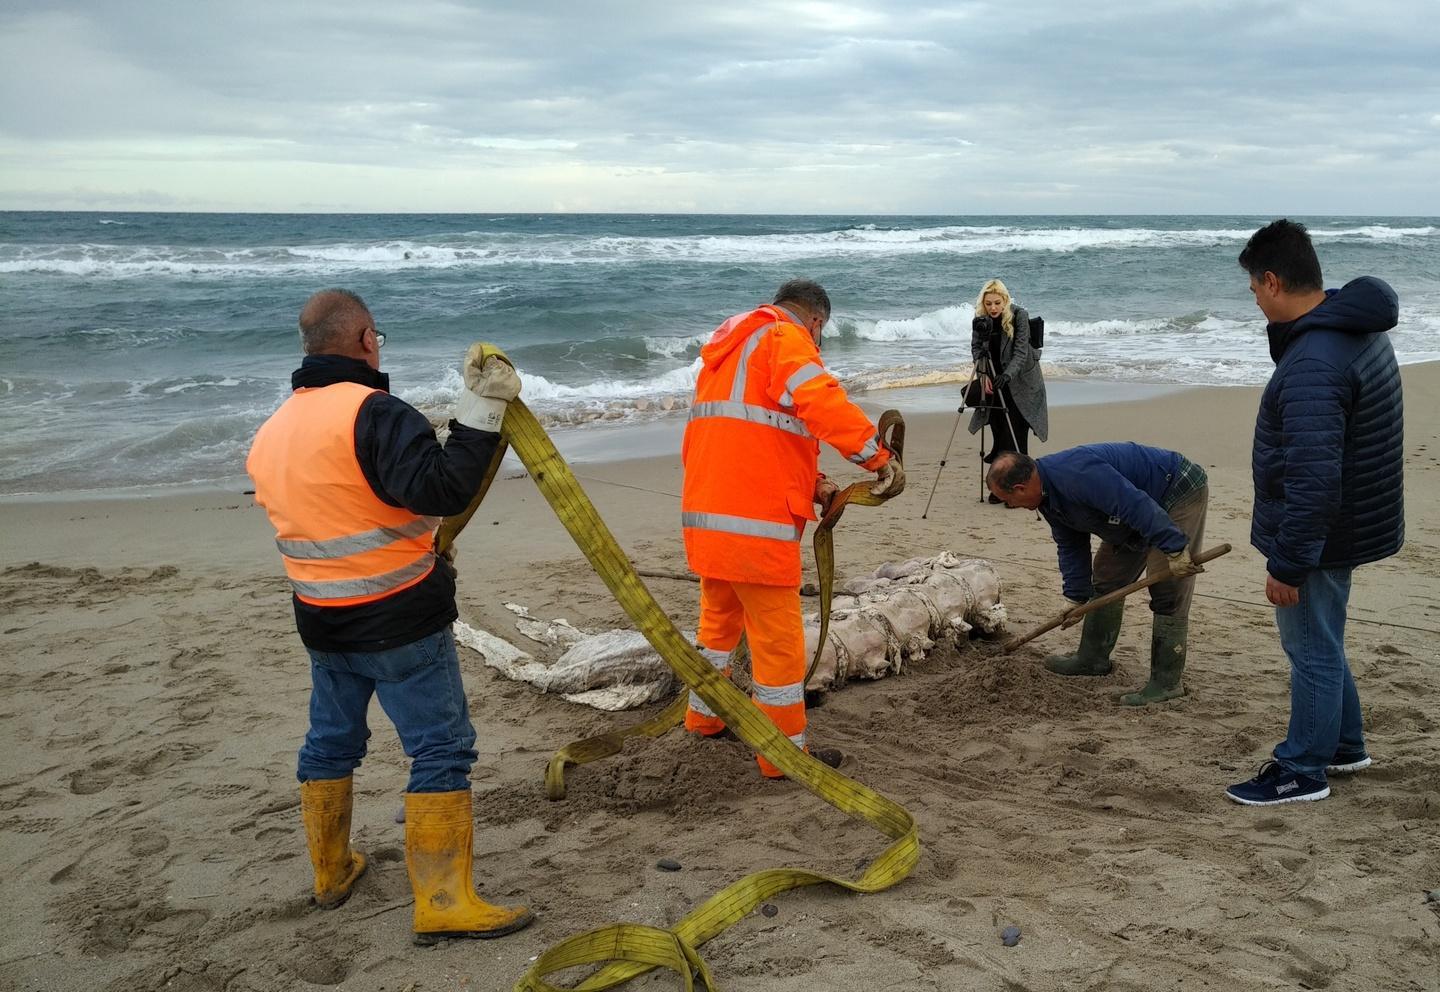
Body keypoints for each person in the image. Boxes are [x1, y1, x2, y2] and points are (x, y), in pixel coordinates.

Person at [246, 289, 536, 943]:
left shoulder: (273, 432)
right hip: (400, 618)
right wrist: (484, 407)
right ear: (365, 339)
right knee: (441, 748)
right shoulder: (375, 414)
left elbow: (339, 507)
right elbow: (443, 488)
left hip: (321, 619)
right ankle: (442, 900)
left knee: (331, 741)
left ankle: (331, 872)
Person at [681, 279, 905, 777]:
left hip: (709, 518)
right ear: (817, 321)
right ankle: (782, 756)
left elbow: (759, 439)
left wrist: (817, 484)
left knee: (717, 629)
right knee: (778, 642)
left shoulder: (728, 352)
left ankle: (704, 719)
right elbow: (820, 403)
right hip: (755, 527)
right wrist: (877, 458)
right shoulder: (785, 338)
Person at [1225, 220, 1404, 806]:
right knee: (1323, 639)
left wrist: (1289, 563)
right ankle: (1345, 746)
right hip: (1351, 521)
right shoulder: (1354, 325)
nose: (1253, 300)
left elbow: (1313, 477)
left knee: (1311, 648)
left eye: (1254, 288)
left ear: (1273, 281)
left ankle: (1302, 768)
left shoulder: (1313, 362)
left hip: (1323, 533)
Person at [986, 444, 1205, 705]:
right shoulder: (1045, 494)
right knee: (1107, 579)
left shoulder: (1076, 475)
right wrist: (1075, 597)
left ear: (1020, 488)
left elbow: (1133, 504)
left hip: (1173, 490)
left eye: (1007, 499)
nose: (1010, 505)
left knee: (1168, 586)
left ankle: (1167, 684)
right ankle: (1092, 659)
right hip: (1130, 513)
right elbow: (1070, 542)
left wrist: (1175, 547)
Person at [966, 279, 1048, 503]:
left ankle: (1024, 489)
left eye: (997, 303)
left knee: (1016, 435)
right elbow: (976, 350)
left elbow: (1021, 352)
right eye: (989, 303)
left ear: (1005, 301)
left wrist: (1007, 375)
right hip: (994, 379)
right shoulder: (980, 320)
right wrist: (983, 376)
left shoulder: (1019, 315)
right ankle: (1001, 488)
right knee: (999, 431)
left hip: (1021, 381)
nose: (993, 308)